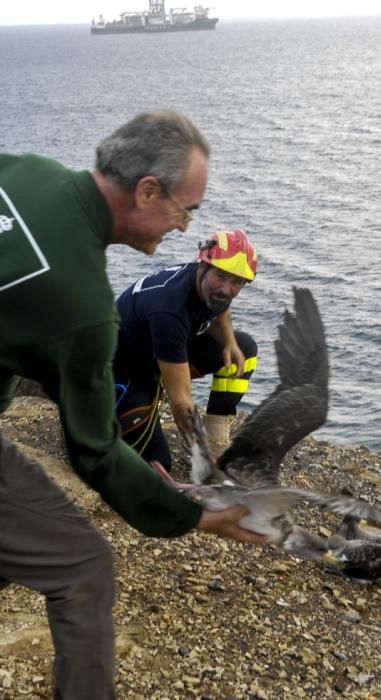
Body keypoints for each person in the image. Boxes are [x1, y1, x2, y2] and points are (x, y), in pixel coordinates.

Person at [0, 110, 264, 700]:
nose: (183, 225)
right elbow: (93, 449)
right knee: (83, 567)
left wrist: (225, 342)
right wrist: (194, 514)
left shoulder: (28, 172)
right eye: (184, 209)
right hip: (130, 381)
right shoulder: (86, 305)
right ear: (147, 190)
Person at [113, 229, 258, 475]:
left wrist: (230, 343)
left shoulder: (209, 286)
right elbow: (180, 401)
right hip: (122, 373)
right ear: (203, 266)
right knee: (157, 466)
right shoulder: (170, 308)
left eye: (237, 282)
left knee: (244, 349)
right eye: (221, 276)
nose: (226, 289)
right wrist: (205, 464)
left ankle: (215, 443)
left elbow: (219, 309)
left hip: (158, 358)